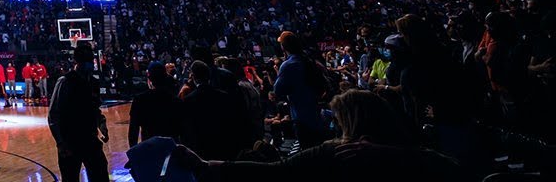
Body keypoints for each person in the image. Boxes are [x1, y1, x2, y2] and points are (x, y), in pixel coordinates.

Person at [172, 90, 470, 182]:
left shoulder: (338, 151)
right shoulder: (412, 148)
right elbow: (455, 171)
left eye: (339, 119)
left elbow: (276, 173)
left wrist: (209, 165)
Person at [47, 42, 109, 182]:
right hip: (70, 142)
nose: (90, 64)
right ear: (78, 61)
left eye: (90, 60)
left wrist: (102, 124)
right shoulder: (65, 82)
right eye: (87, 61)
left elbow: (95, 109)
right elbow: (53, 115)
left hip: (90, 138)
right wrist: (60, 143)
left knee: (101, 174)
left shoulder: (93, 82)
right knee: (70, 178)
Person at [273, 32, 328, 148]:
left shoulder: (288, 65)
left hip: (301, 117)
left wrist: (279, 72)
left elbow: (278, 90)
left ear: (283, 46)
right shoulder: (308, 60)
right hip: (316, 114)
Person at [180, 61, 244, 160]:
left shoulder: (189, 100)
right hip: (224, 145)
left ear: (193, 76)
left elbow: (188, 128)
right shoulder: (223, 96)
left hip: (201, 150)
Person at [127, 61, 184, 147]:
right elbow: (182, 131)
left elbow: (133, 132)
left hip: (150, 150)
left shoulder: (139, 100)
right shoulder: (176, 101)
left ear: (149, 78)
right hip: (171, 150)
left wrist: (134, 154)